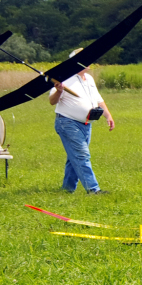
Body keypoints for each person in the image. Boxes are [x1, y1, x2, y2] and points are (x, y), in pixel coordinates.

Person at [48, 48, 115, 195]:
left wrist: (108, 116)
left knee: (75, 157)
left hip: (86, 124)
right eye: (85, 58)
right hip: (67, 122)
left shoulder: (89, 79)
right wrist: (59, 91)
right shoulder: (64, 77)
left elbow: (98, 100)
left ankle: (67, 189)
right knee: (81, 155)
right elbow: (52, 101)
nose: (89, 61)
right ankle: (93, 190)